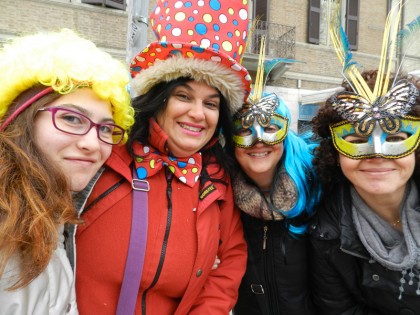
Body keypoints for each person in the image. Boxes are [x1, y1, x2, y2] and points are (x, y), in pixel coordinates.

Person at [73, 0, 251, 314]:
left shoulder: (218, 182)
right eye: (183, 96)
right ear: (158, 99)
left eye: (211, 104)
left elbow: (228, 267)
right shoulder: (104, 154)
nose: (198, 114)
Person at [0, 29, 134, 314]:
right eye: (72, 118)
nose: (92, 143)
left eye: (106, 129)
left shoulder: (52, 219)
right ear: (20, 119)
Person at [309, 2, 420, 313]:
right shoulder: (327, 235)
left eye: (397, 137)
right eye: (356, 140)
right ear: (335, 154)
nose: (377, 152)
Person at [230, 40, 321, 314]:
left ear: (286, 133)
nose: (258, 140)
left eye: (270, 127)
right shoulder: (222, 198)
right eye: (245, 131)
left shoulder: (321, 186)